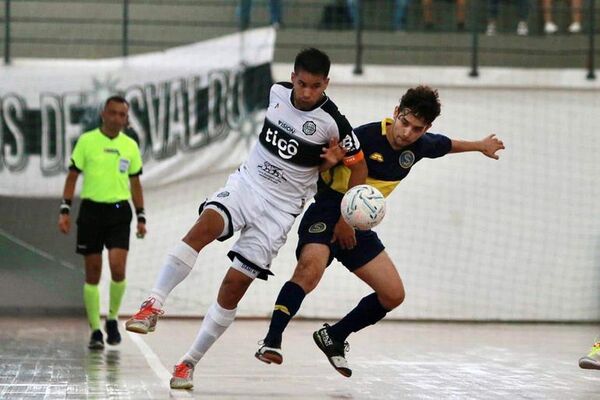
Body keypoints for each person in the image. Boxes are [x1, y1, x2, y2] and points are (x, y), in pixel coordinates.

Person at [125, 48, 368, 389]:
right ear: (293, 77)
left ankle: (188, 362)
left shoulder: (335, 123)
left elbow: (359, 167)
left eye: (315, 86)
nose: (307, 92)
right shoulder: (275, 92)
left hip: (280, 210)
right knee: (204, 226)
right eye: (302, 83)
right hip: (247, 185)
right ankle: (153, 304)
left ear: (326, 83)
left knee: (233, 287)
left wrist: (345, 208)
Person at [255, 85, 505, 377]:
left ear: (426, 128)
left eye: (417, 129)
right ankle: (272, 340)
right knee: (309, 272)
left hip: (358, 225)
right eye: (405, 123)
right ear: (396, 113)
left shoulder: (420, 146)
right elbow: (319, 167)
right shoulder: (363, 136)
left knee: (393, 294)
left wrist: (479, 145)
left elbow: (447, 145)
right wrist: (331, 169)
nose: (407, 133)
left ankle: (334, 336)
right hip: (327, 211)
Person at [58, 95, 146, 350]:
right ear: (103, 115)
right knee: (93, 273)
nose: (117, 118)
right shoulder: (87, 142)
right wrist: (64, 210)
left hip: (119, 213)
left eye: (122, 115)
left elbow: (135, 183)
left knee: (118, 269)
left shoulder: (130, 146)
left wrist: (141, 215)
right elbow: (72, 177)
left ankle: (113, 319)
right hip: (91, 213)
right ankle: (96, 329)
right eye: (113, 113)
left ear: (126, 119)